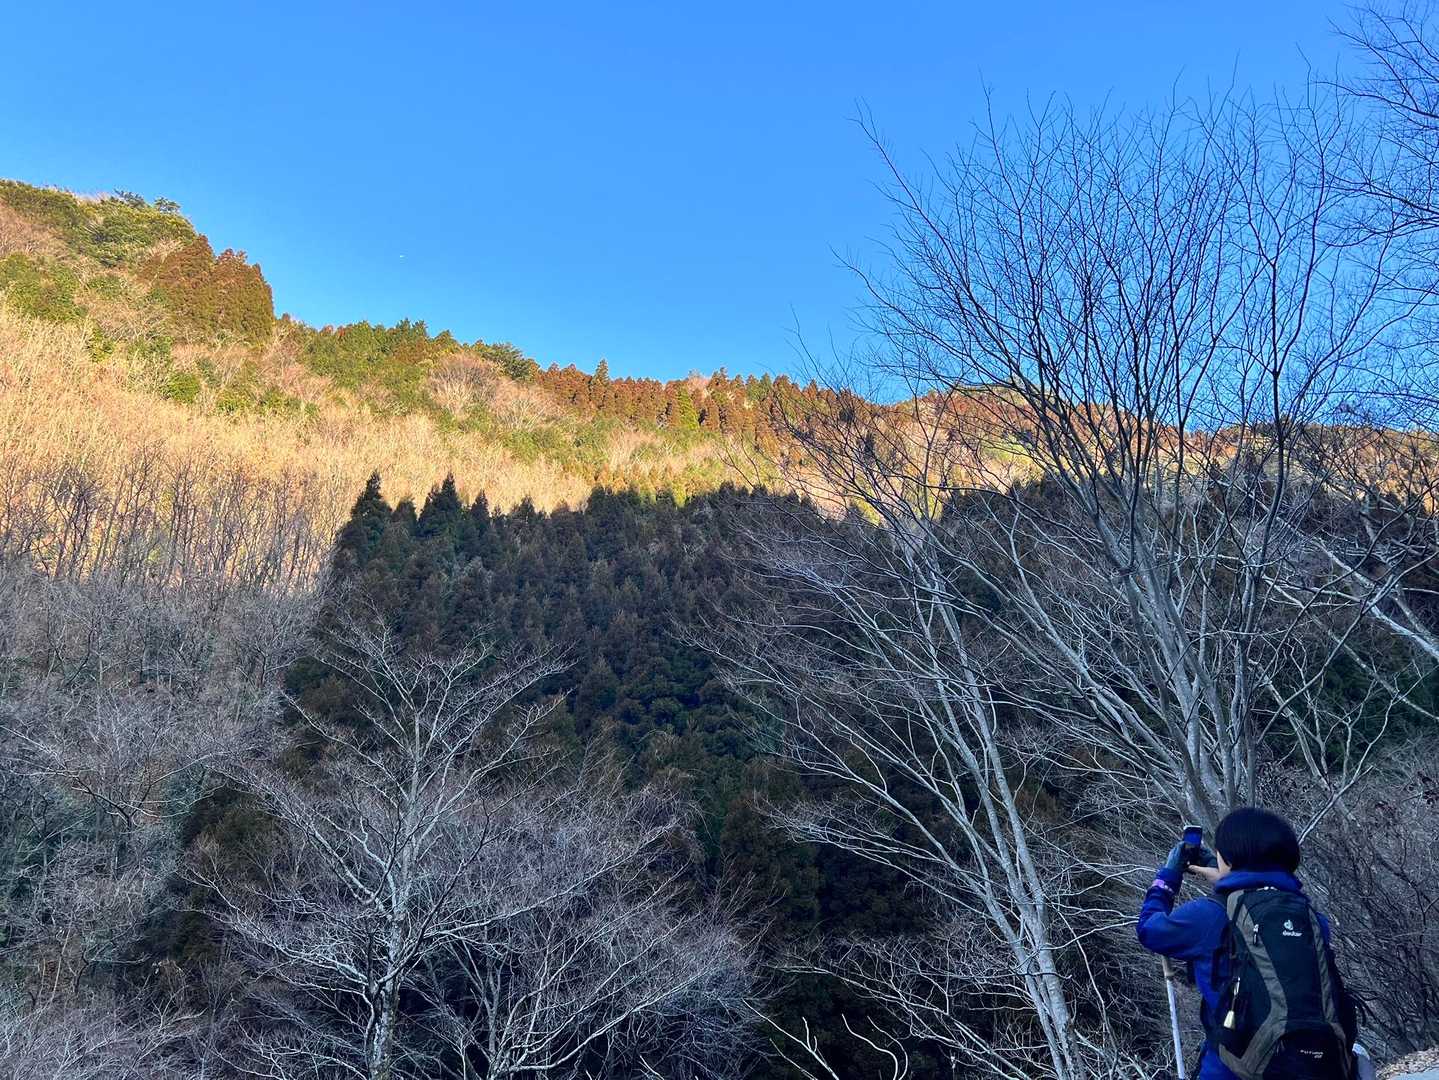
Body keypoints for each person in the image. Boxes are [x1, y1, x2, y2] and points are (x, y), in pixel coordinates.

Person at [1135, 807, 1357, 1080]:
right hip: (1316, 1063)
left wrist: (1167, 877)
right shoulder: (1311, 918)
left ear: (1227, 858)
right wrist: (1229, 875)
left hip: (1234, 1068)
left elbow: (1149, 930)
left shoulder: (1209, 915)